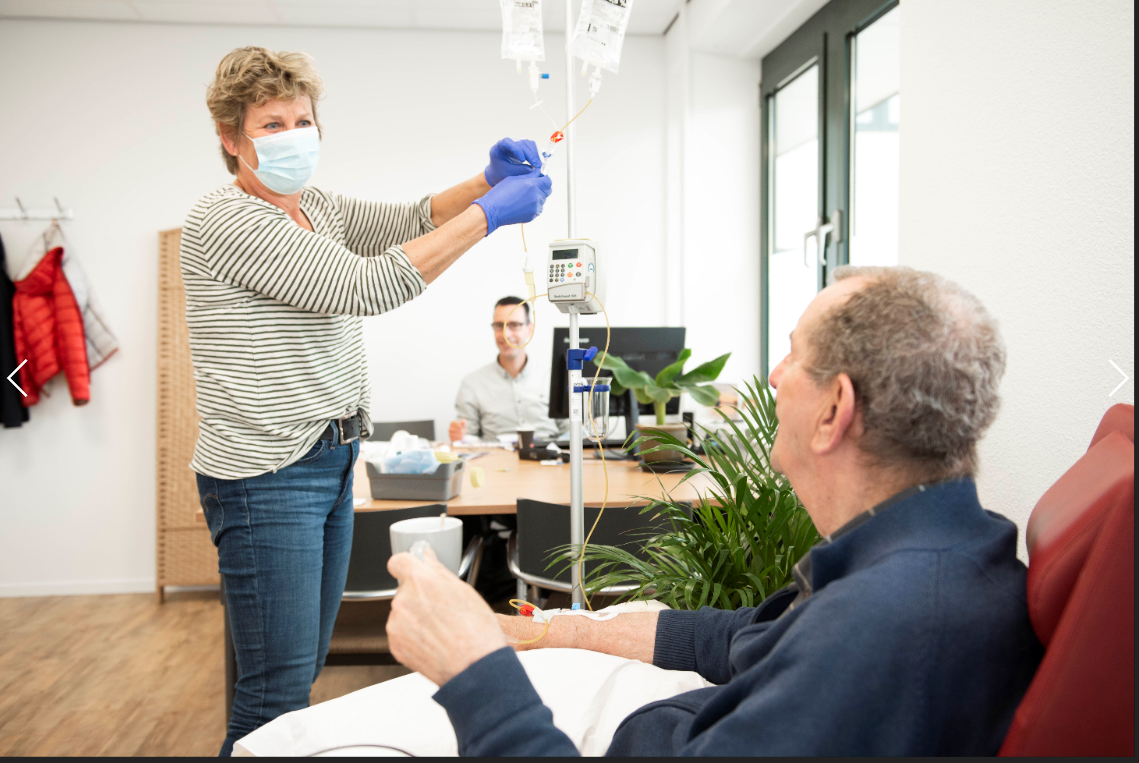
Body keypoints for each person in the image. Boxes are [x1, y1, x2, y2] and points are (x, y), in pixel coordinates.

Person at [385, 265, 1044, 756]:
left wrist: (471, 670)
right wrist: (561, 630)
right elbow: (738, 636)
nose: (773, 376)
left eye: (793, 354)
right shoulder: (916, 554)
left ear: (832, 410)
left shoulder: (881, 627)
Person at [184, 46, 552, 756]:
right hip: (266, 475)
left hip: (328, 461)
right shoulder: (226, 221)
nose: (292, 135)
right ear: (231, 139)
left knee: (302, 674)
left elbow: (407, 220)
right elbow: (367, 284)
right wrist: (490, 215)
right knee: (274, 693)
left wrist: (486, 178)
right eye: (270, 124)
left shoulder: (312, 206)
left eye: (301, 120)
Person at [447, 296, 563, 443]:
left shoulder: (553, 376)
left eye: (514, 325)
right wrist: (460, 437)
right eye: (499, 325)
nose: (506, 335)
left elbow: (571, 432)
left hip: (551, 459)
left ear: (529, 329)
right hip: (496, 462)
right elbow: (468, 440)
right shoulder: (472, 383)